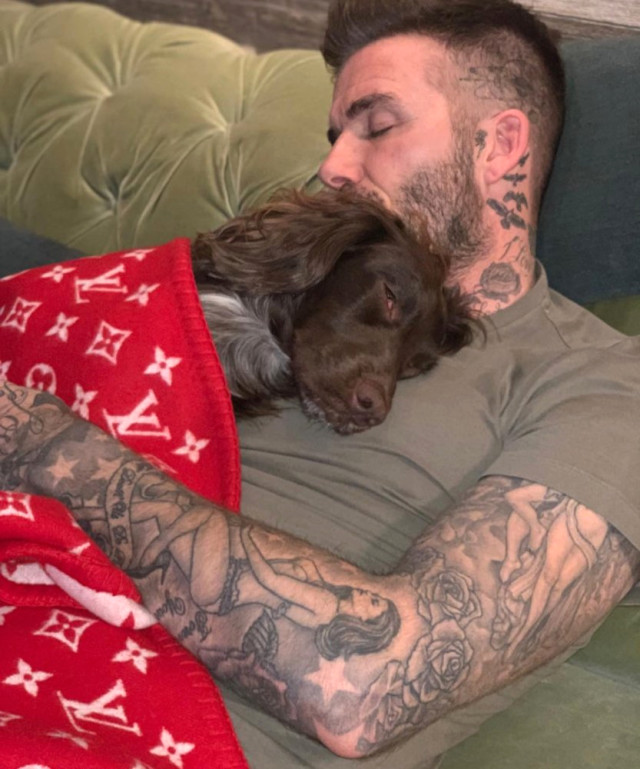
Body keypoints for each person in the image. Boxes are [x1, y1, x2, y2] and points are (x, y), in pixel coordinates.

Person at [1, 1, 639, 767]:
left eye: (378, 125)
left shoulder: (601, 385)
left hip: (129, 725)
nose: (335, 167)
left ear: (499, 144)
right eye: (335, 137)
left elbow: (365, 686)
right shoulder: (287, 283)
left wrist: (48, 444)